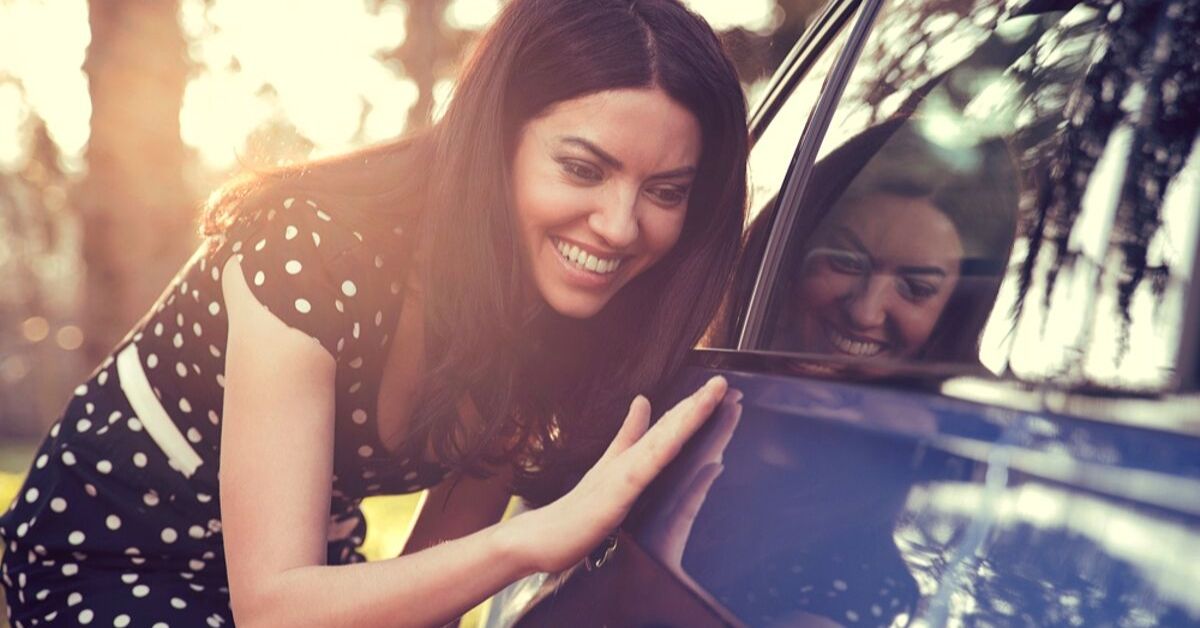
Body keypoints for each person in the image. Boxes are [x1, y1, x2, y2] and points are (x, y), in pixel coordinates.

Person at [0, 0, 749, 625]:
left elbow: (429, 591)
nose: (620, 227)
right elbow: (276, 608)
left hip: (310, 577)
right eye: (583, 169)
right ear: (498, 143)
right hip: (111, 555)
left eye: (666, 191)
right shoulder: (312, 247)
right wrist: (534, 541)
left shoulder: (554, 319)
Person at [766, 122, 1019, 369]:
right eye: (846, 262)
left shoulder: (976, 410)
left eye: (916, 288)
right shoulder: (732, 368)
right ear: (794, 248)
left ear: (955, 312)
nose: (864, 313)